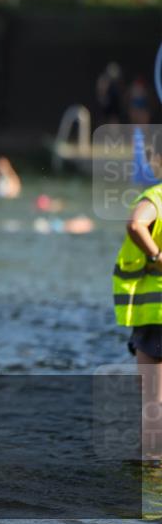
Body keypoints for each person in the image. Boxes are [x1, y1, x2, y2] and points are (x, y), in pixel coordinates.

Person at [113, 182, 162, 461]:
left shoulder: (158, 197)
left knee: (153, 401)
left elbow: (135, 223)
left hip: (155, 312)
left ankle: (151, 469)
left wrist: (156, 256)